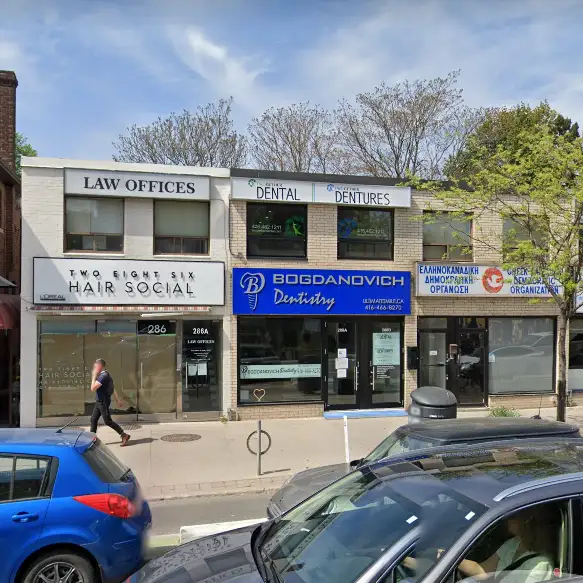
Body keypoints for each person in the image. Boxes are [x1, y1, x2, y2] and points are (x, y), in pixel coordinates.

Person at [90, 358, 130, 446]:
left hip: (103, 402)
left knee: (107, 421)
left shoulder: (103, 377)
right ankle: (92, 439)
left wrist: (93, 376)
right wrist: (118, 400)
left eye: (95, 366)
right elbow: (113, 389)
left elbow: (92, 388)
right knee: (93, 419)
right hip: (99, 401)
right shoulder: (106, 375)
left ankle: (124, 435)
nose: (94, 368)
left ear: (100, 366)